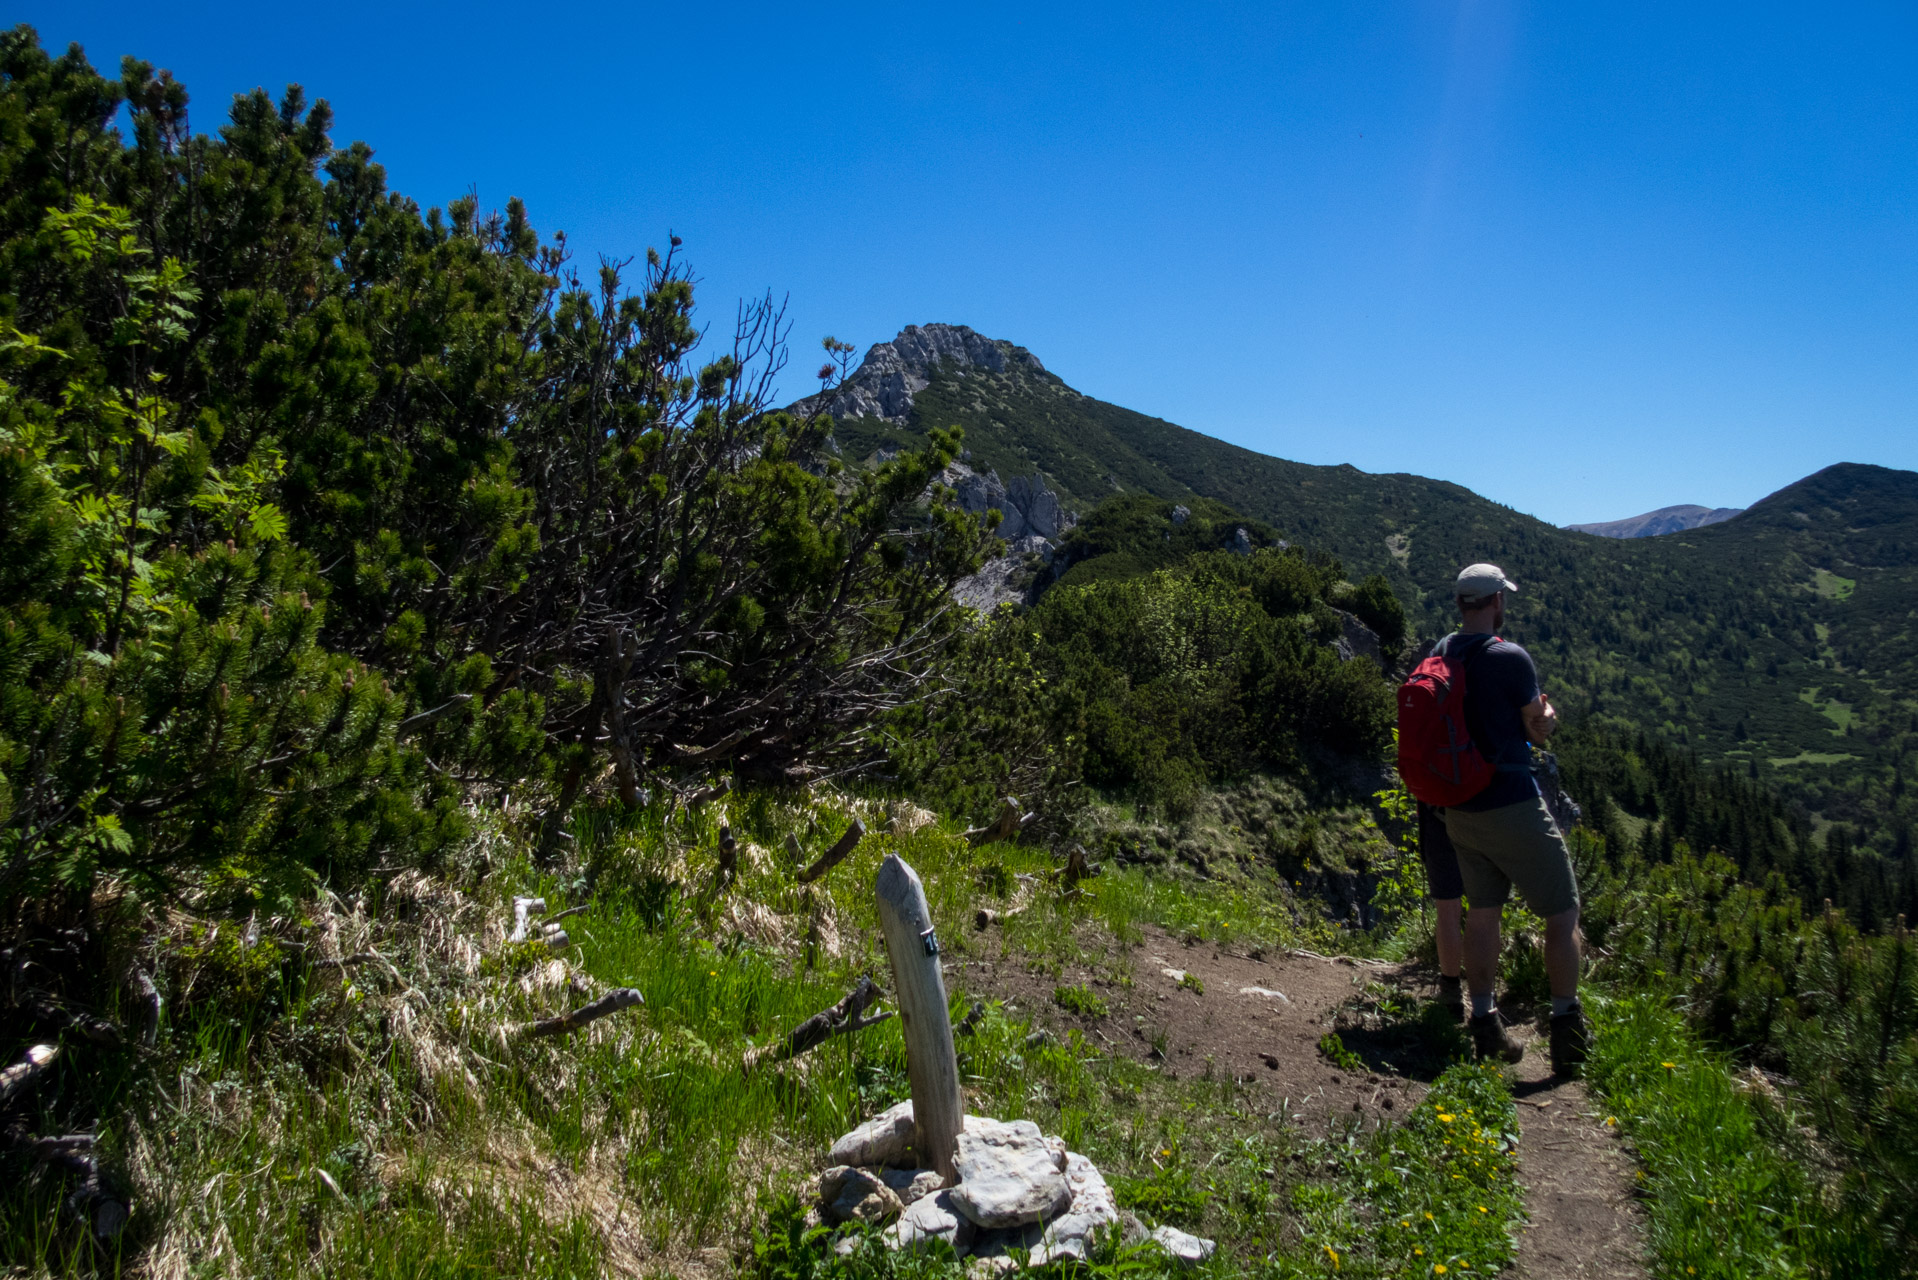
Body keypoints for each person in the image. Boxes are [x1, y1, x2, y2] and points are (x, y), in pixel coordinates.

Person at [1434, 563, 1588, 1075]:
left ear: (1461, 603)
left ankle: (1485, 1022)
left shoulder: (1441, 651)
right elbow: (1538, 730)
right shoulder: (1511, 657)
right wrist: (1547, 718)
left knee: (1482, 913)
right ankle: (1567, 1028)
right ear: (1496, 601)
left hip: (1459, 809)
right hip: (1510, 800)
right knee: (1562, 911)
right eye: (1505, 598)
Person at [1416, 800, 1467, 1020]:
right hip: (1488, 812)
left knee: (1447, 908)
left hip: (1438, 812)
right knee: (1485, 909)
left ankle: (1451, 996)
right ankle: (1485, 1001)